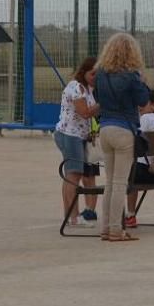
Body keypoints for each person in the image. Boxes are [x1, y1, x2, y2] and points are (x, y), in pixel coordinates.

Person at [94, 33, 150, 242]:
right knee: (119, 182)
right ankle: (117, 229)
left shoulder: (100, 74)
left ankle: (106, 227)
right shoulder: (131, 76)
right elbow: (143, 102)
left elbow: (98, 98)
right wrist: (142, 82)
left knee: (109, 182)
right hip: (124, 129)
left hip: (105, 129)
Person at [53, 57, 101, 227]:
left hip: (80, 136)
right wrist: (104, 103)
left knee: (72, 174)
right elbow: (85, 113)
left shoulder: (89, 89)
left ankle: (70, 214)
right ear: (84, 72)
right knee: (74, 174)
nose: (95, 77)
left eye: (98, 74)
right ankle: (73, 216)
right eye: (92, 73)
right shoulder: (76, 87)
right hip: (69, 134)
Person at [124, 90, 154, 228]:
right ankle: (130, 215)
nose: (139, 106)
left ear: (153, 105)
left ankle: (130, 214)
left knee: (125, 172)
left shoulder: (145, 118)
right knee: (132, 170)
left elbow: (133, 140)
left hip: (146, 171)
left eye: (143, 104)